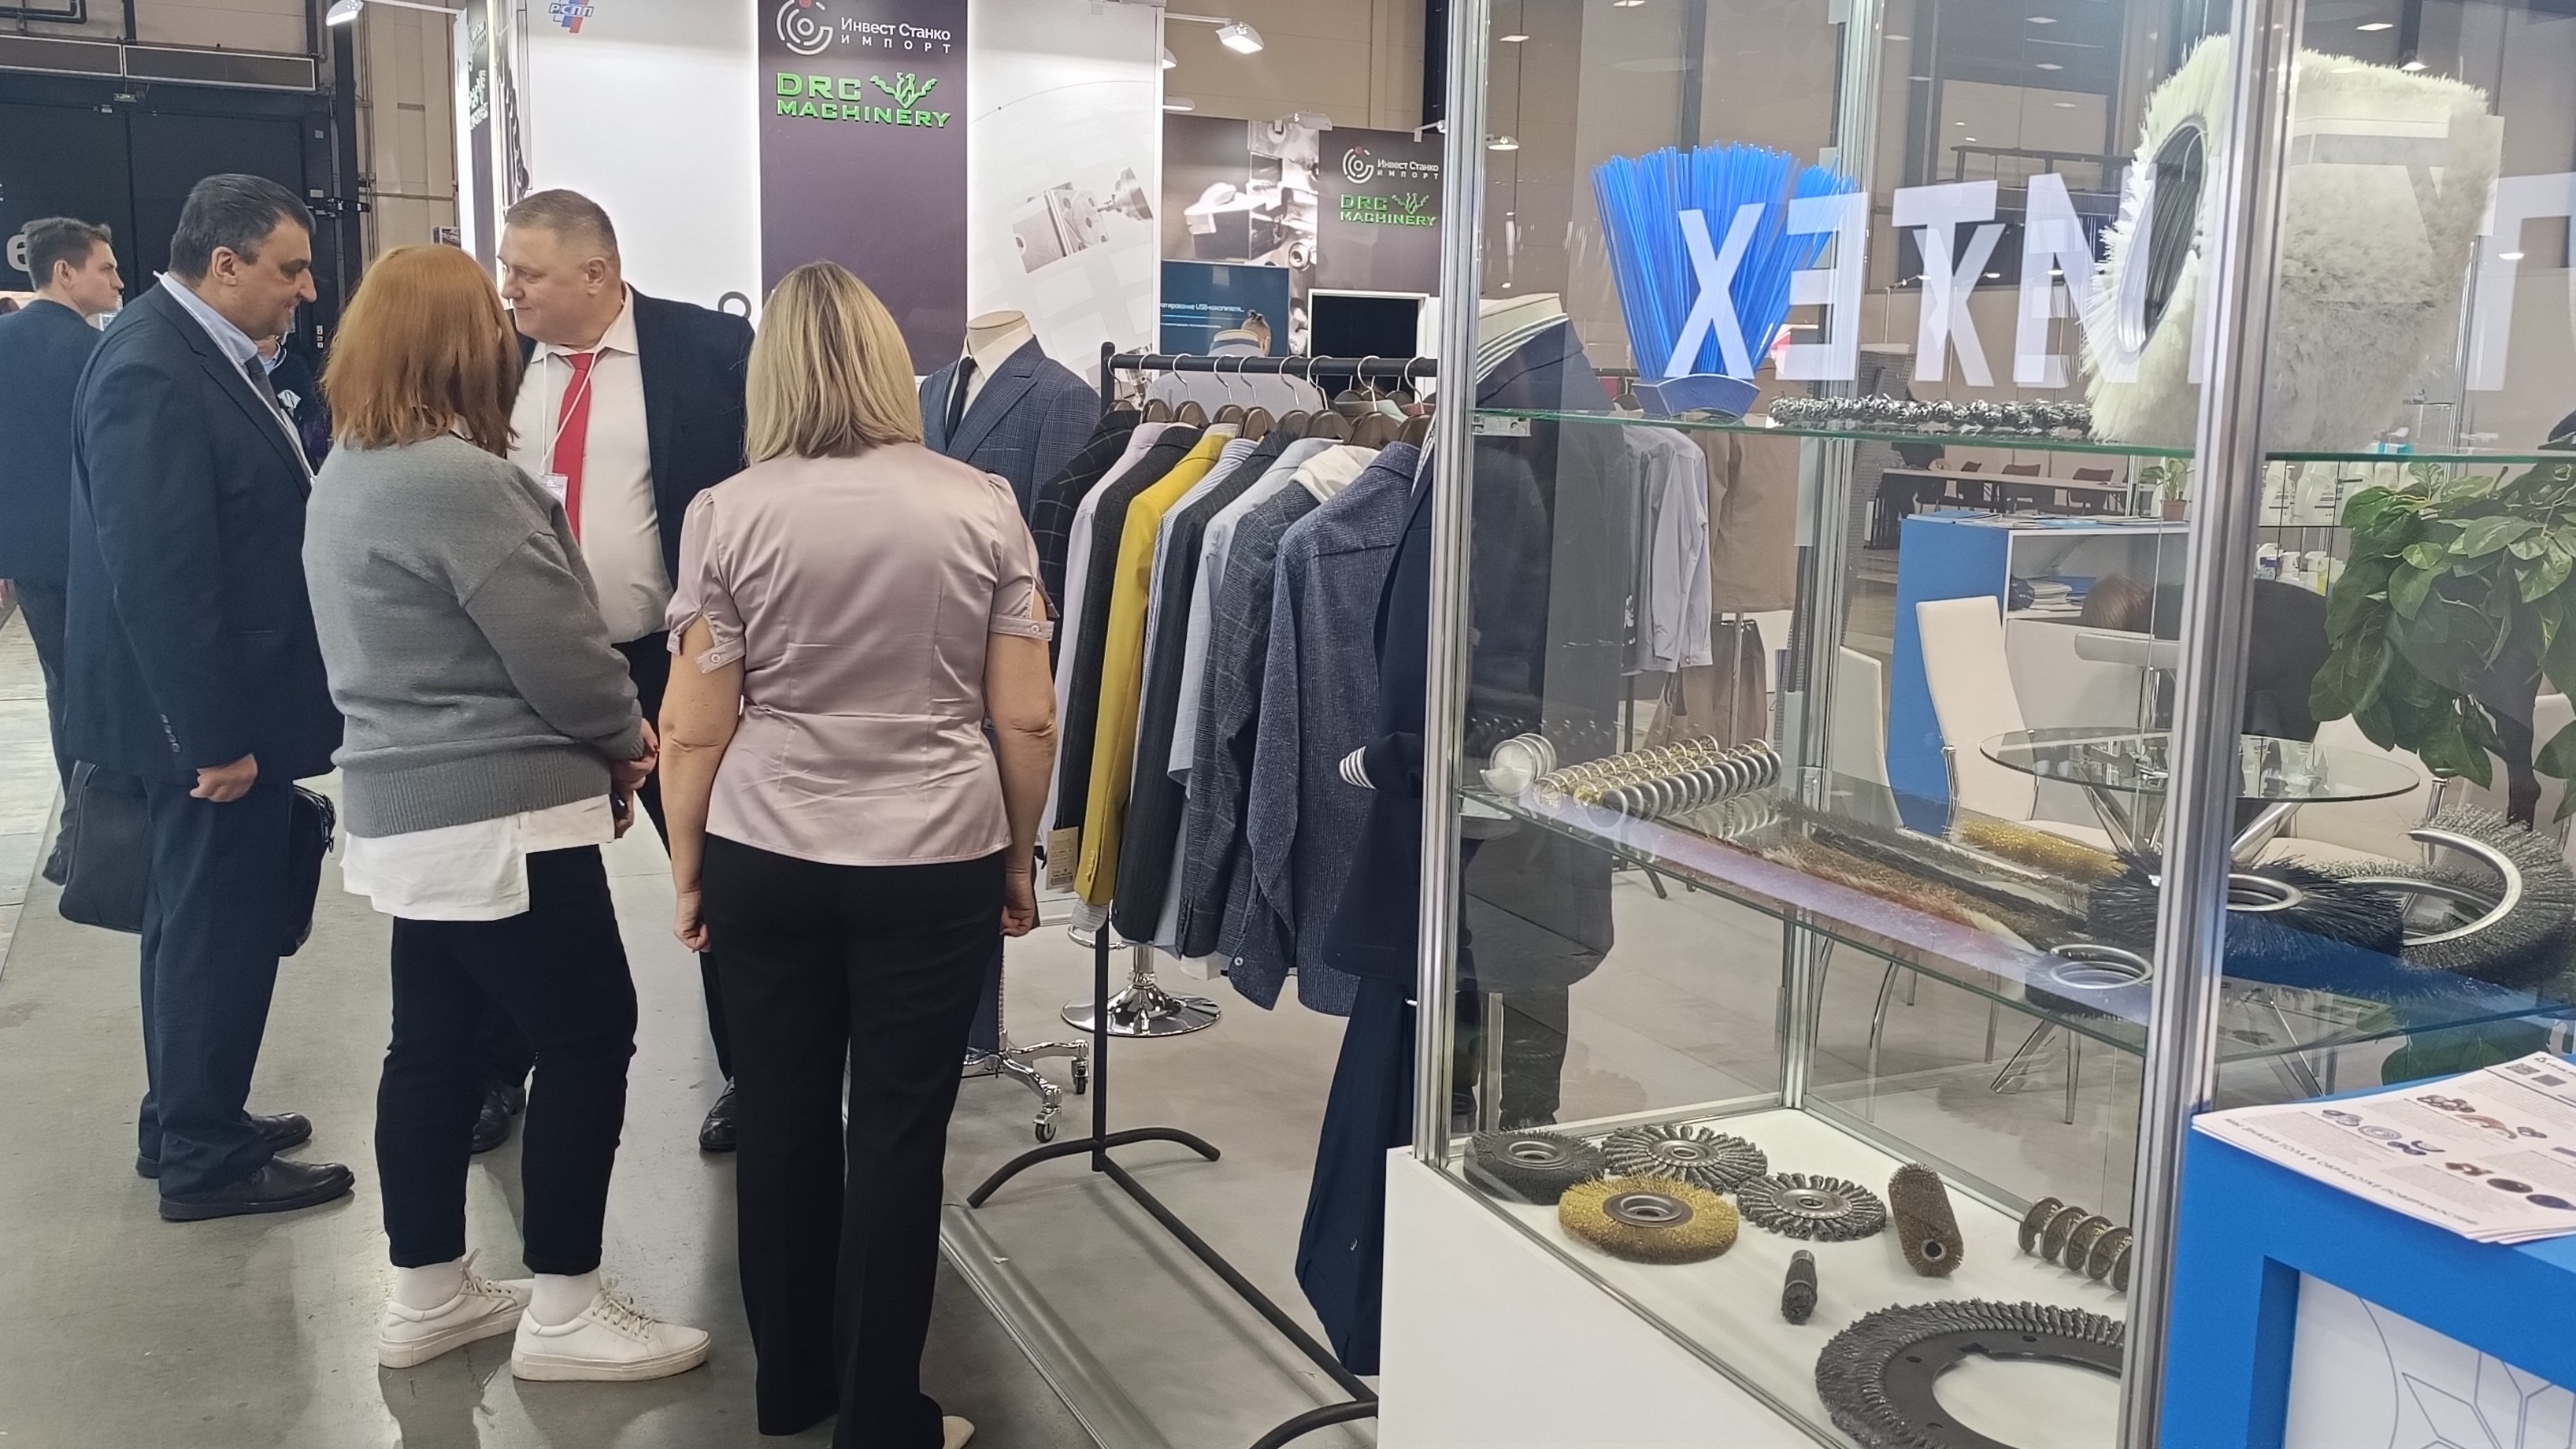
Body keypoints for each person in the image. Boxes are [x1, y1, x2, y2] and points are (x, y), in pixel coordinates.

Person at [659, 261, 1054, 1449]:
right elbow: (1026, 716)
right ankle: (883, 1418)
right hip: (934, 847)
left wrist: (689, 865)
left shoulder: (725, 513)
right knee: (897, 1132)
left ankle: (792, 1388)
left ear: (769, 374)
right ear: (891, 366)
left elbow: (694, 724)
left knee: (779, 1115)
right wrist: (1018, 860)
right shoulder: (981, 503)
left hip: (766, 845)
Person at [303, 243, 707, 1380]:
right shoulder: (461, 482)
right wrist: (628, 735)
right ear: (464, 347)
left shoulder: (350, 469)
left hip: (409, 811)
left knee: (430, 1047)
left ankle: (426, 1291)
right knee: (586, 1035)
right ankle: (567, 1308)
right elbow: (564, 656)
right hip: (501, 814)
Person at [62, 175, 350, 1218]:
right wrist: (214, 737)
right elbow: (161, 571)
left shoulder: (200, 352)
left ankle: (185, 1117)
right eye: (289, 269)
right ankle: (203, 1156)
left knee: (193, 924)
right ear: (223, 264)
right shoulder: (154, 363)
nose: (306, 290)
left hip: (218, 711)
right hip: (207, 724)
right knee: (213, 930)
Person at [490, 188, 754, 1154]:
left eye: (526, 271)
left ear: (596, 273)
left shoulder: (709, 350)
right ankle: (497, 1067)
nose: (508, 289)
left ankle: (752, 1074)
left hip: (663, 659)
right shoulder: (494, 359)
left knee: (711, 860)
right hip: (523, 665)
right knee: (515, 874)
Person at [0, 216, 121, 884]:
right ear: (65, 271)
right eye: (106, 267)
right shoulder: (100, 352)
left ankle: (79, 839)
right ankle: (97, 838)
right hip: (97, 549)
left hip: (28, 555)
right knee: (106, 688)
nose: (118, 280)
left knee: (63, 687)